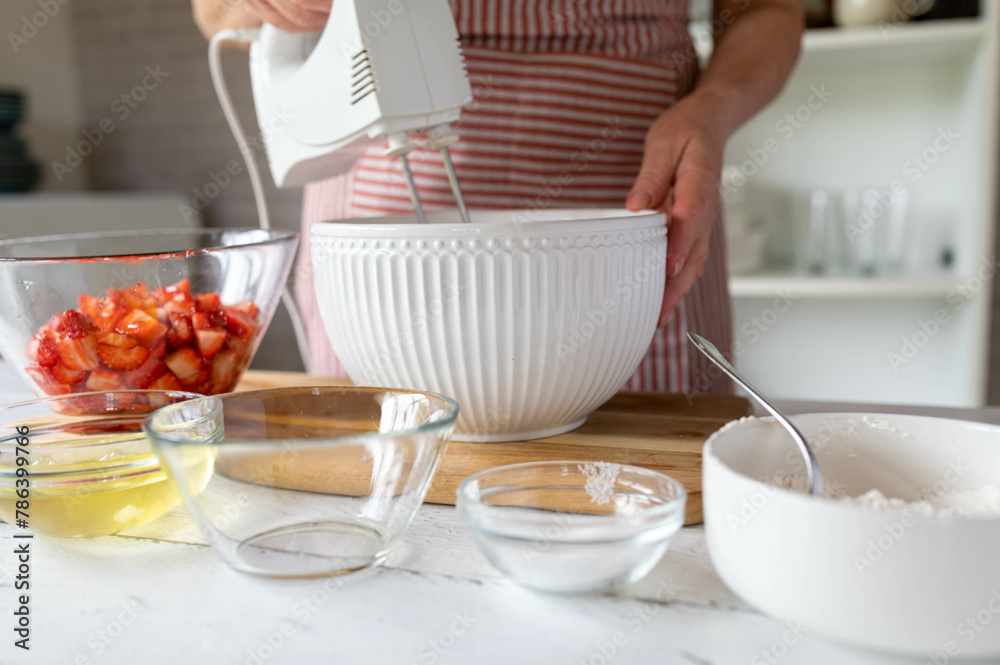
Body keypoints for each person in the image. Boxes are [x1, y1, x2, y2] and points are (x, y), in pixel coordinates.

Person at [193, 0, 802, 393]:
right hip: (383, 168)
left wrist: (712, 109)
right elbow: (214, 13)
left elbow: (766, 10)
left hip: (638, 188)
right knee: (399, 474)